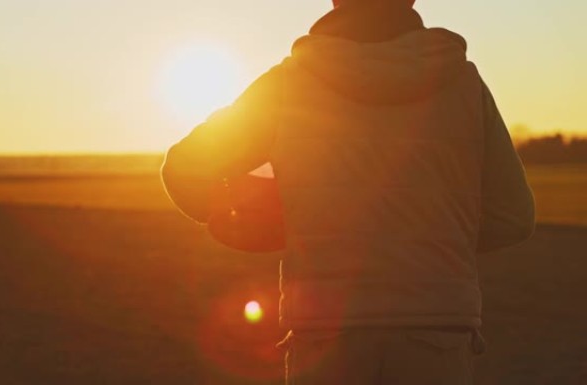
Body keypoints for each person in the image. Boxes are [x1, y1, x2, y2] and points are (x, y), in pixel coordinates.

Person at [161, 0, 536, 383]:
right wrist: (432, 234)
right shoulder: (465, 84)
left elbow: (184, 170)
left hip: (324, 332)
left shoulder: (288, 84)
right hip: (437, 330)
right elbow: (513, 215)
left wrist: (264, 225)